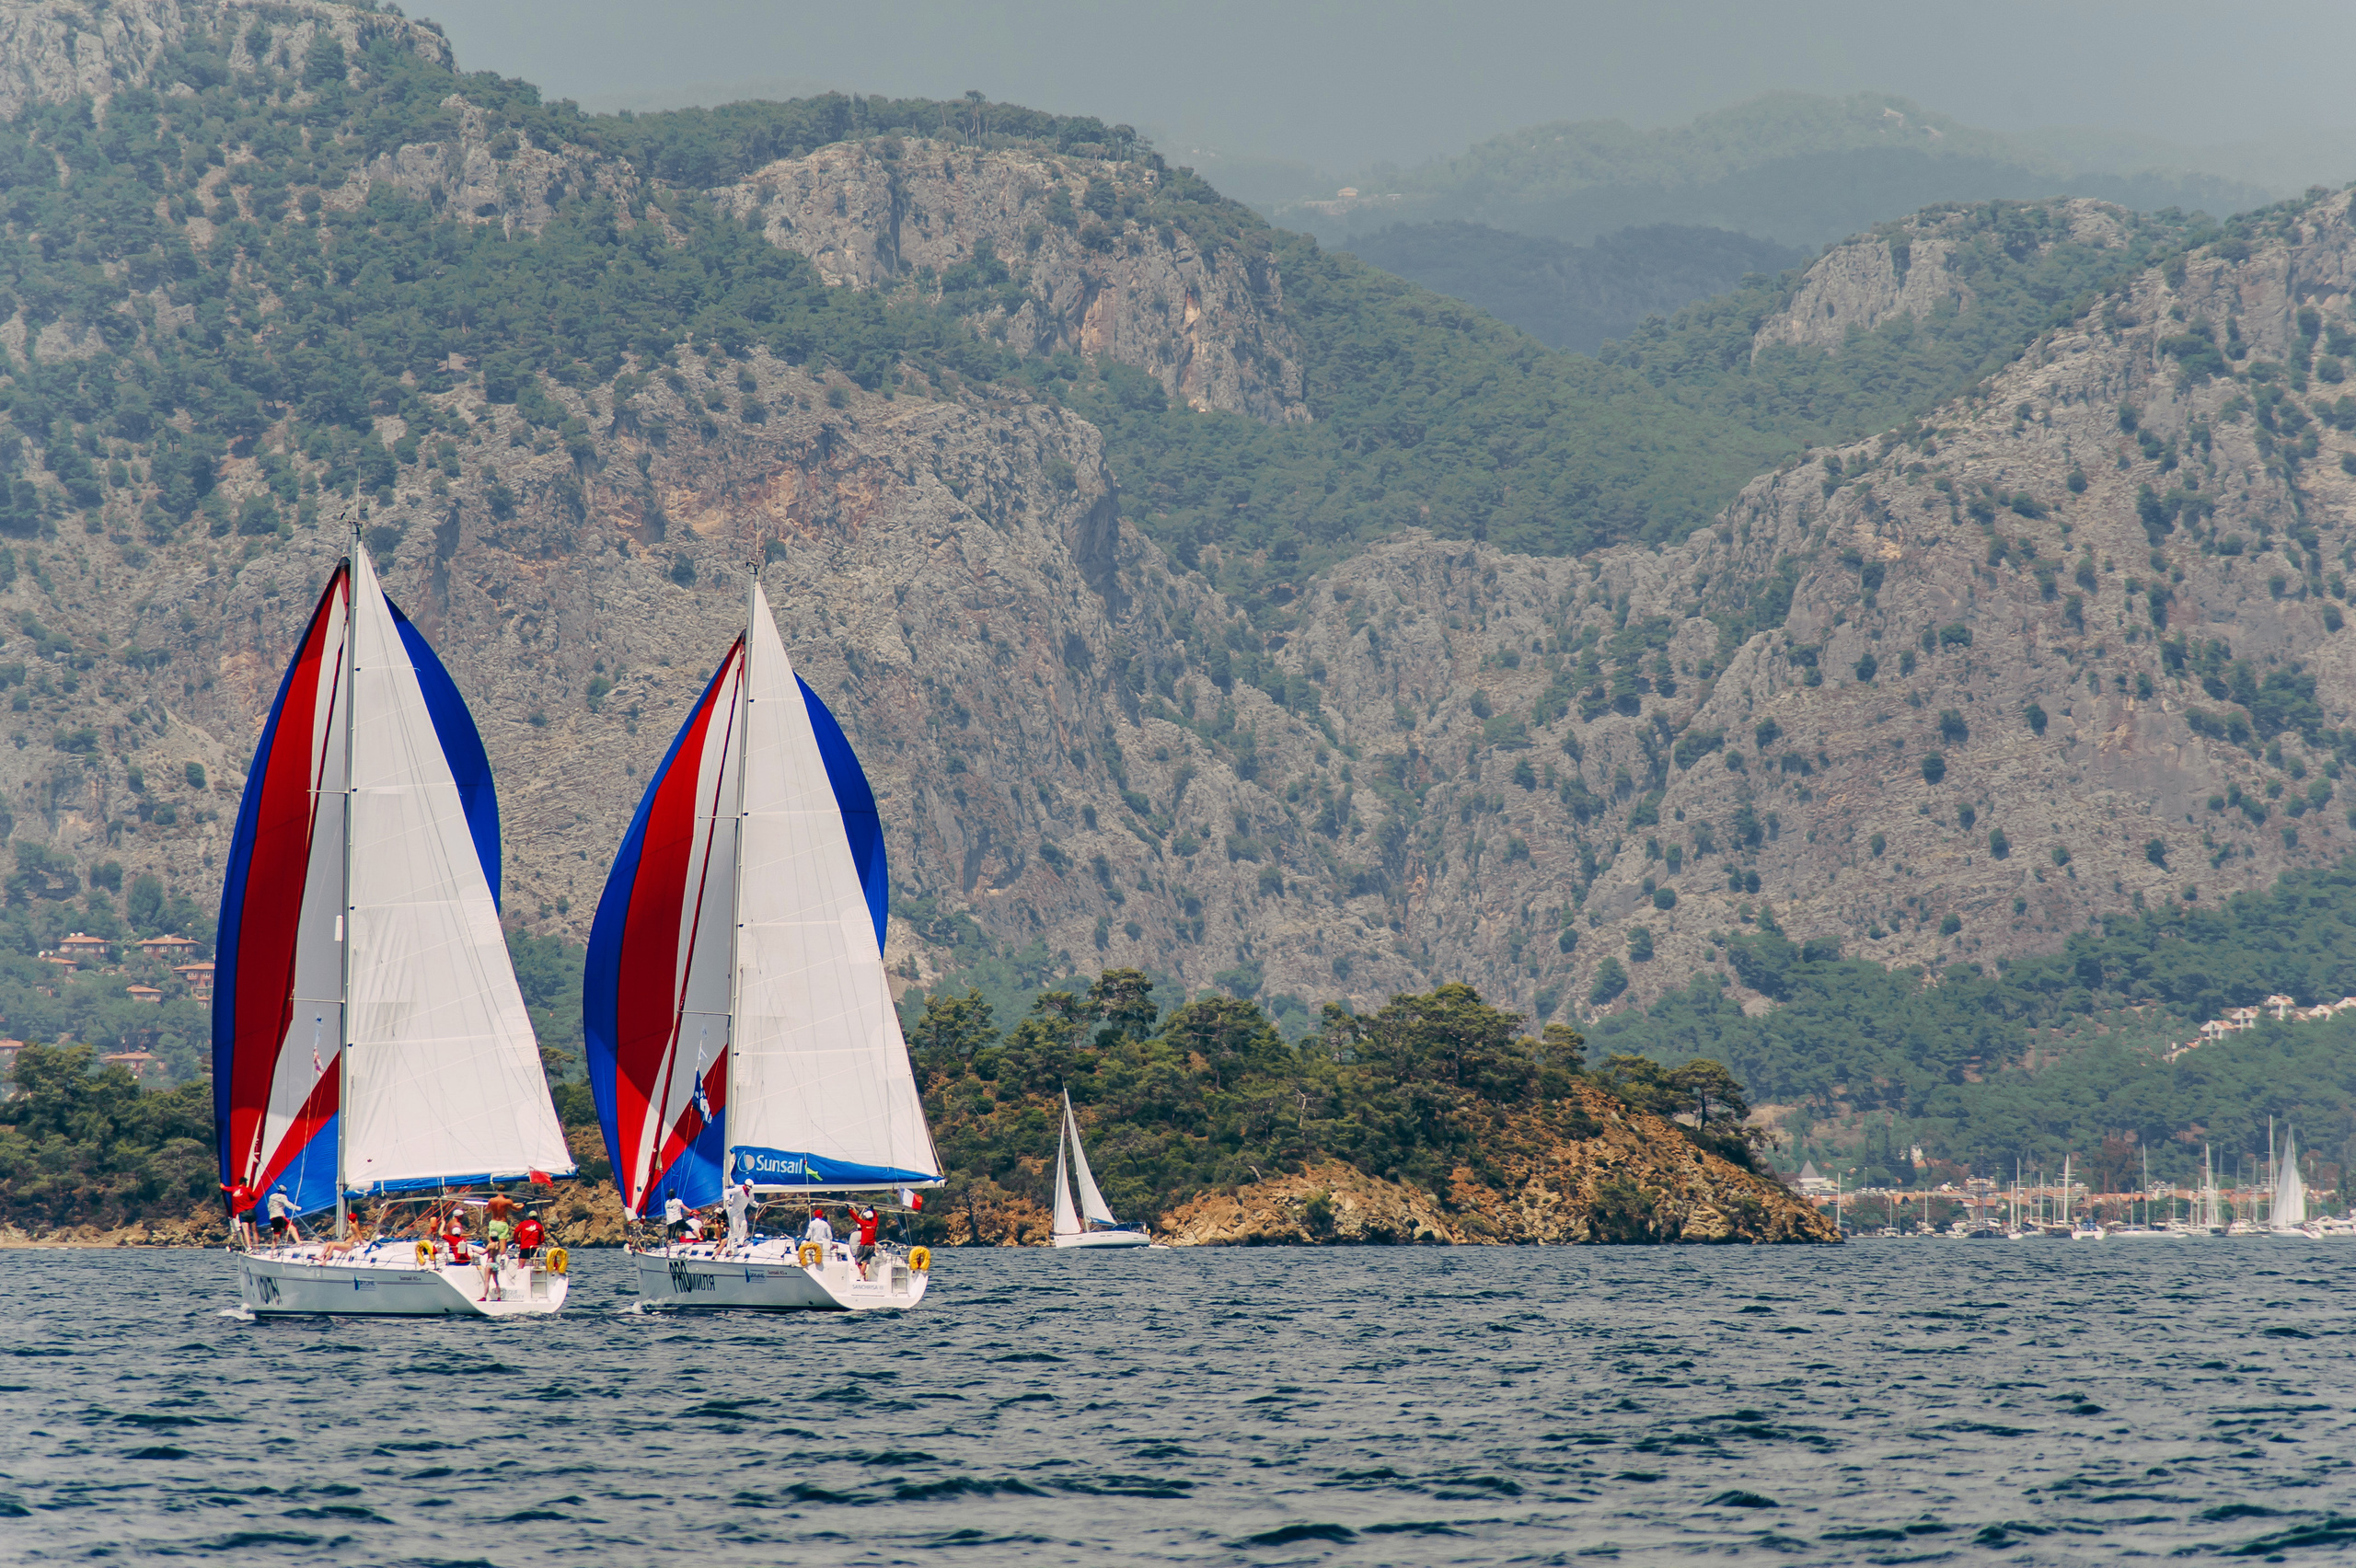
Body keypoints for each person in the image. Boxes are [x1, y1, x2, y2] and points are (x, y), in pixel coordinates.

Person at [225, 1181, 260, 1249]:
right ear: (244, 1183)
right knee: (254, 1231)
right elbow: (255, 1197)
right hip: (251, 1211)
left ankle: (249, 1247)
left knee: (246, 1231)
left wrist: (222, 1185)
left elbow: (225, 1188)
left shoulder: (233, 1189)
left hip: (242, 1213)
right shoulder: (247, 1189)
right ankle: (257, 1248)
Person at [722, 1180, 754, 1249]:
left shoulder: (750, 1192)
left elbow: (752, 1201)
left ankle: (740, 1242)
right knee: (734, 1228)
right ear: (745, 1186)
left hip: (741, 1210)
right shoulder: (739, 1189)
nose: (748, 1190)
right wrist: (728, 1200)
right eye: (747, 1188)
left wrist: (757, 1205)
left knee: (744, 1224)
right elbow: (726, 1191)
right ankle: (732, 1245)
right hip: (733, 1210)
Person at [851, 1204, 880, 1277]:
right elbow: (876, 1217)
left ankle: (861, 1275)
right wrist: (873, 1209)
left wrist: (850, 1210)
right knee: (865, 1262)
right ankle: (862, 1275)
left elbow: (856, 1218)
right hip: (872, 1246)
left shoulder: (864, 1223)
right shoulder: (874, 1224)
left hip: (864, 1246)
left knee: (858, 1260)